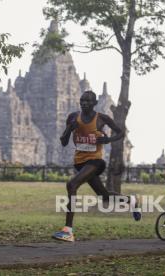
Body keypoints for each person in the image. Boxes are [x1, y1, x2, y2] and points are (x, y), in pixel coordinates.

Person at [52, 91, 142, 242]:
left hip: (95, 161)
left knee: (72, 185)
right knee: (104, 196)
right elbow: (63, 141)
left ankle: (68, 230)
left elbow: (121, 133)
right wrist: (69, 128)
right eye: (82, 101)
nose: (84, 103)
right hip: (79, 162)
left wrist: (107, 140)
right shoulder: (73, 117)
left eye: (88, 101)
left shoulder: (102, 118)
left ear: (94, 103)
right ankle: (130, 200)